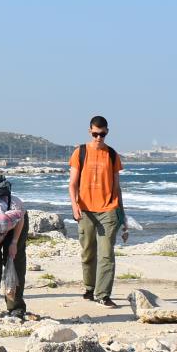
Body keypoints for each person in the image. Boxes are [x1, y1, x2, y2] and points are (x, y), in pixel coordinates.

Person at [69, 115, 126, 307]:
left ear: (107, 132)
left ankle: (103, 295)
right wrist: (74, 206)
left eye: (102, 134)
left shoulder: (112, 155)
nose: (98, 138)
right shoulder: (80, 152)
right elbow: (72, 184)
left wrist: (122, 215)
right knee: (88, 252)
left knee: (107, 254)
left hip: (108, 209)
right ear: (89, 131)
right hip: (85, 210)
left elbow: (117, 187)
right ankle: (89, 288)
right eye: (95, 134)